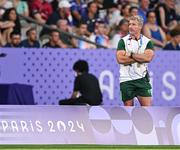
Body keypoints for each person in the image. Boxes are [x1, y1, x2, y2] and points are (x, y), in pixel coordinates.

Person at [116, 15, 154, 106]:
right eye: (129, 24)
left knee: (147, 111)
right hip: (126, 80)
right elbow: (120, 59)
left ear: (140, 26)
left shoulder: (147, 41)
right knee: (128, 111)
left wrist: (131, 54)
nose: (130, 27)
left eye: (134, 24)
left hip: (142, 79)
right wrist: (140, 57)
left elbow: (148, 58)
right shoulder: (122, 41)